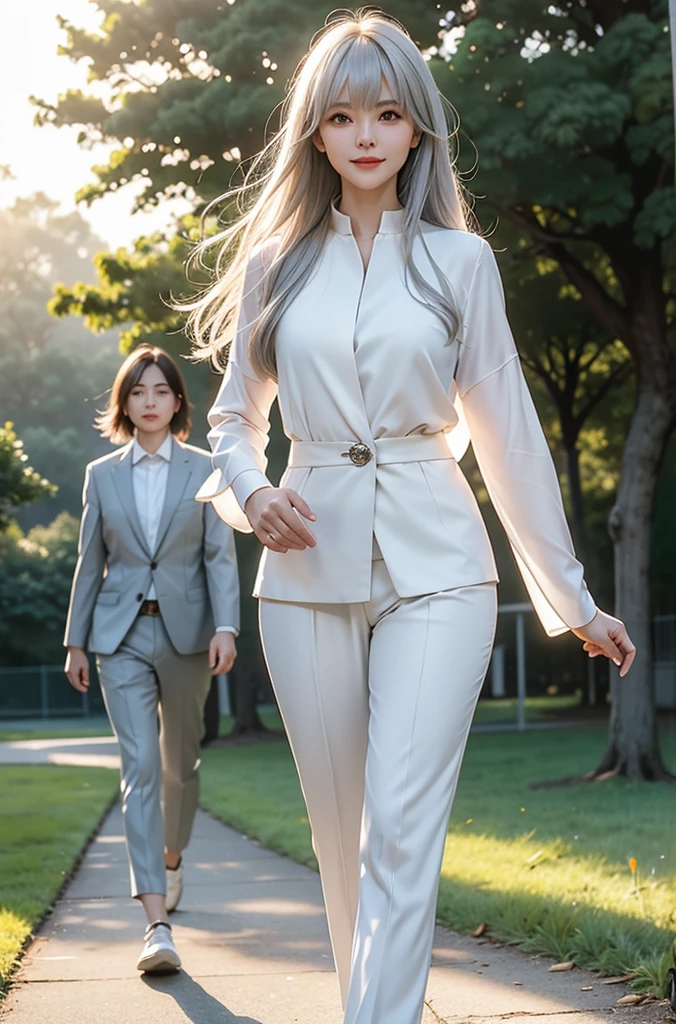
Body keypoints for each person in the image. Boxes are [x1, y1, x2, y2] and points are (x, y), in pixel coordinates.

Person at [187, 11, 636, 1024]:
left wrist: (569, 600)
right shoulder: (274, 266)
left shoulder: (457, 264)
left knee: (398, 826)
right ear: (314, 132)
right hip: (302, 581)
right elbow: (227, 420)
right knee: (344, 842)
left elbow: (509, 435)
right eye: (341, 114)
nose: (364, 134)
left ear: (417, 129)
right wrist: (252, 492)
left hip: (440, 569)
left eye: (387, 112)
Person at [63, 345, 239, 974]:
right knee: (139, 767)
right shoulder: (101, 474)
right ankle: (156, 926)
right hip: (120, 637)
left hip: (190, 635)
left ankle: (171, 856)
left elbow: (219, 555)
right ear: (124, 402)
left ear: (177, 401)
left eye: (161, 391)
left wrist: (227, 626)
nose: (150, 402)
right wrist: (76, 641)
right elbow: (91, 562)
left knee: (179, 765)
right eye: (138, 392)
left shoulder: (208, 468)